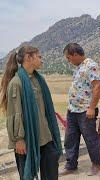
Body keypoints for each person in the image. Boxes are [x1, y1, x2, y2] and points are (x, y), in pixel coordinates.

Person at [0, 45, 62, 180]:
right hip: (27, 139)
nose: (42, 60)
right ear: (28, 57)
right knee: (26, 175)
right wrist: (19, 140)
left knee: (52, 169)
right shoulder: (16, 83)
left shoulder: (39, 80)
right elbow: (14, 114)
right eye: (39, 57)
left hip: (45, 136)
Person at [59, 43, 100, 176]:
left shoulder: (91, 65)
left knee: (90, 138)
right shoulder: (79, 67)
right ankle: (71, 165)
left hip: (85, 111)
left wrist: (91, 108)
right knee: (70, 139)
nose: (68, 60)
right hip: (73, 110)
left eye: (68, 57)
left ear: (76, 55)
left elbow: (97, 88)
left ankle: (97, 164)